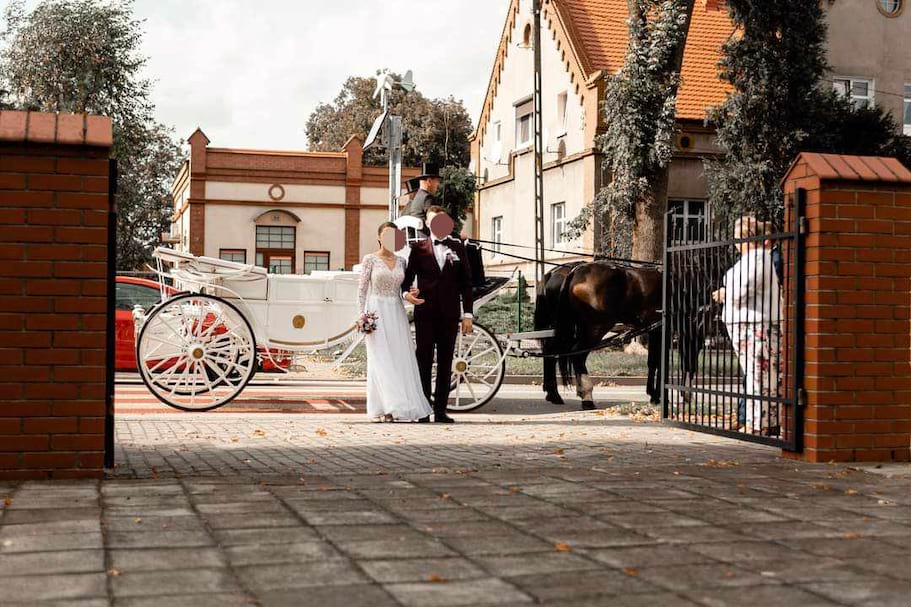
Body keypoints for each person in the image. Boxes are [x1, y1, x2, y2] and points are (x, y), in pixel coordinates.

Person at [402, 206, 474, 423]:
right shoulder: (418, 248)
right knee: (423, 360)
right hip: (425, 312)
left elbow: (466, 283)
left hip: (449, 314)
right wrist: (407, 294)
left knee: (445, 361)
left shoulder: (458, 247)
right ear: (427, 223)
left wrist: (468, 314)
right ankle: (424, 409)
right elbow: (406, 280)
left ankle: (441, 410)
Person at [358, 222, 433, 423]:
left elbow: (404, 288)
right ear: (379, 237)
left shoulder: (402, 261)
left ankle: (399, 404)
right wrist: (362, 316)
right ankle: (386, 406)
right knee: (380, 358)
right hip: (376, 312)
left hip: (396, 311)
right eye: (386, 234)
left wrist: (411, 293)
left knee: (399, 357)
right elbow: (362, 290)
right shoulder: (370, 259)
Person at [712, 216, 781, 435]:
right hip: (746, 322)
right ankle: (763, 421)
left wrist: (725, 293)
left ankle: (757, 423)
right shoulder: (752, 258)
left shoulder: (759, 259)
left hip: (755, 323)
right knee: (757, 374)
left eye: (737, 239)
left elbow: (742, 291)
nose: (735, 244)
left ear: (747, 238)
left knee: (757, 374)